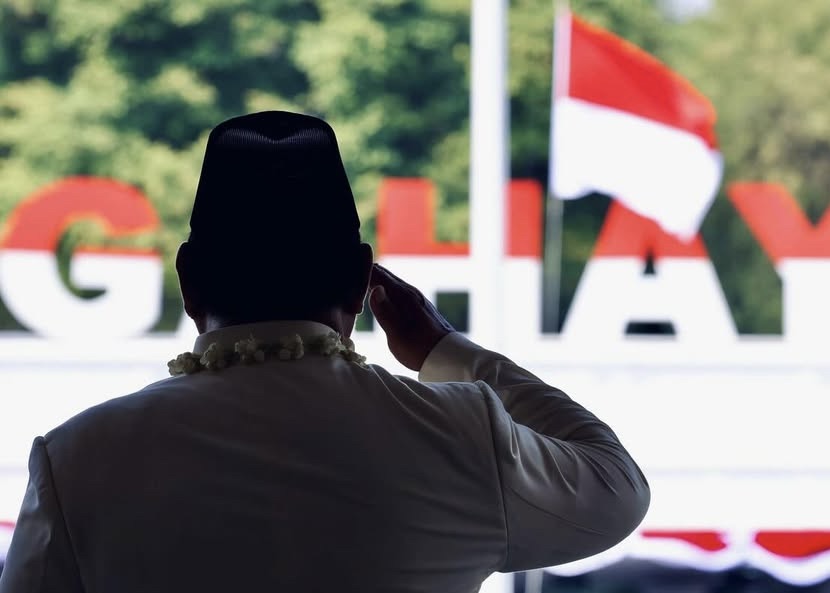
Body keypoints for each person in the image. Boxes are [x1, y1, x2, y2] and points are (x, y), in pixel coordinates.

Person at [0, 111, 649, 593]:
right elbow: (616, 487)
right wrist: (444, 349)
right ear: (364, 281)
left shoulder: (77, 457)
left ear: (188, 281)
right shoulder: (458, 435)